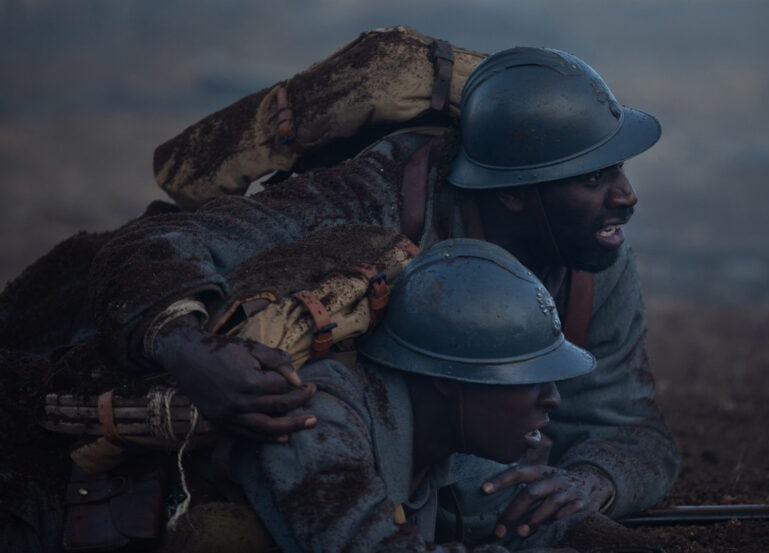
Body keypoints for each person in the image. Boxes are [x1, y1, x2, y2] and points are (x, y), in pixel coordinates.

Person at [1, 38, 679, 542]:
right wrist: (190, 351)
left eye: (615, 168)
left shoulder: (593, 262)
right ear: (513, 196)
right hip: (272, 436)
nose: (626, 196)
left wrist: (589, 481)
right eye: (592, 178)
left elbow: (629, 429)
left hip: (421, 470)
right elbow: (153, 249)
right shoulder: (365, 203)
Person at [221, 238, 599, 551]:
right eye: (526, 379)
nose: (553, 399)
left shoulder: (450, 440)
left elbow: (523, 520)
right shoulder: (318, 422)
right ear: (445, 379)